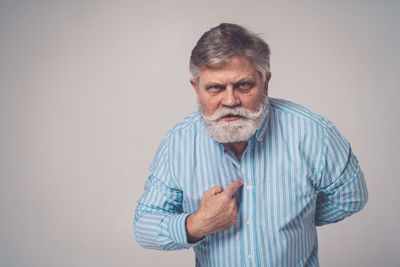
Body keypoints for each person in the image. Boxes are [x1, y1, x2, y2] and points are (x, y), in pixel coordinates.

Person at [134, 23, 368, 266]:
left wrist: (301, 215)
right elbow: (144, 225)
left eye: (243, 85)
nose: (230, 100)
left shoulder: (313, 132)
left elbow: (351, 196)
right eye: (215, 88)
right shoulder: (179, 143)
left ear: (265, 83)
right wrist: (197, 224)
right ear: (196, 89)